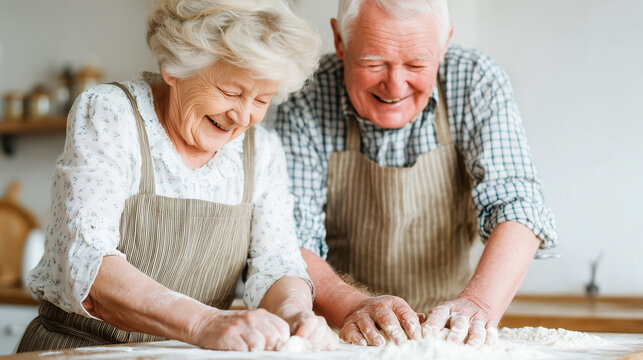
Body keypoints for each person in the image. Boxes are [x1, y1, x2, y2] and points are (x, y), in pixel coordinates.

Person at [18, 0, 338, 352]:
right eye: (230, 92)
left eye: (262, 99)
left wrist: (294, 313)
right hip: (80, 351)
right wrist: (204, 322)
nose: (243, 117)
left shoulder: (263, 150)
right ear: (174, 68)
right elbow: (85, 260)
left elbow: (278, 263)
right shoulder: (110, 113)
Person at [275, 0, 558, 347]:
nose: (395, 86)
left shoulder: (474, 81)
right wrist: (353, 306)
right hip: (342, 331)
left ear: (444, 45)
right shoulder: (308, 95)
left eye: (416, 64)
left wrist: (479, 304)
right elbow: (290, 238)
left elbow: (517, 207)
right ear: (339, 41)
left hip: (453, 333)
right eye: (373, 62)